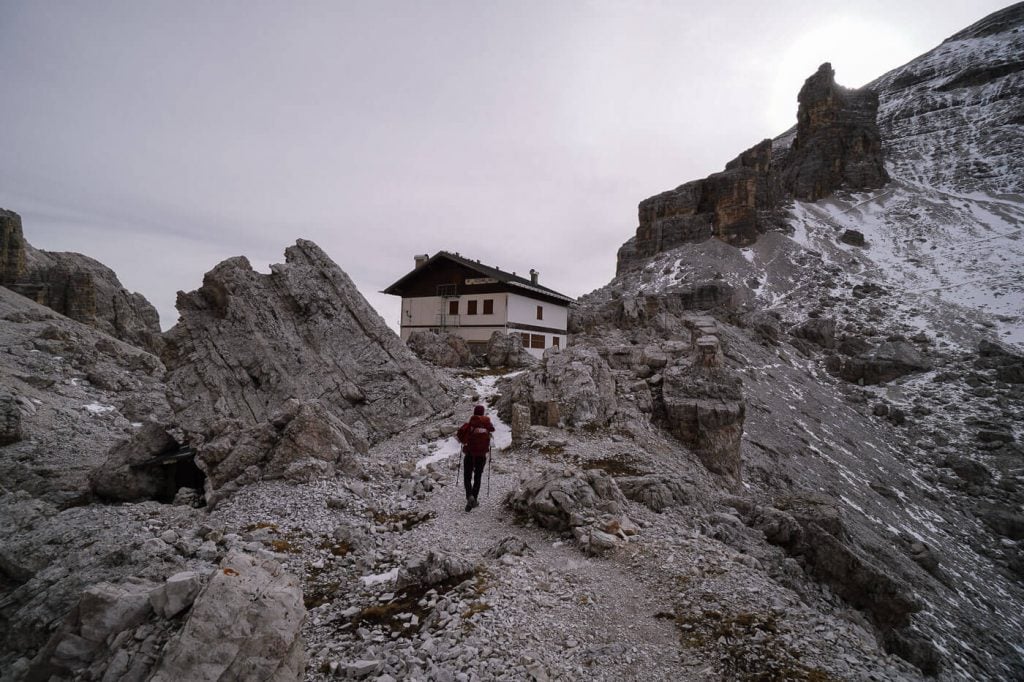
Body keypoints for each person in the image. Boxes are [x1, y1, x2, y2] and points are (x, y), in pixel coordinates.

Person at [456, 405, 494, 512]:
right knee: (478, 477)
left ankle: (469, 496)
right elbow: (492, 433)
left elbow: (460, 437)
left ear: (474, 412)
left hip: (470, 454)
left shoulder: (470, 425)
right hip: (481, 456)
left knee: (467, 477)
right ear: (482, 413)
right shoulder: (487, 425)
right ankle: (474, 499)